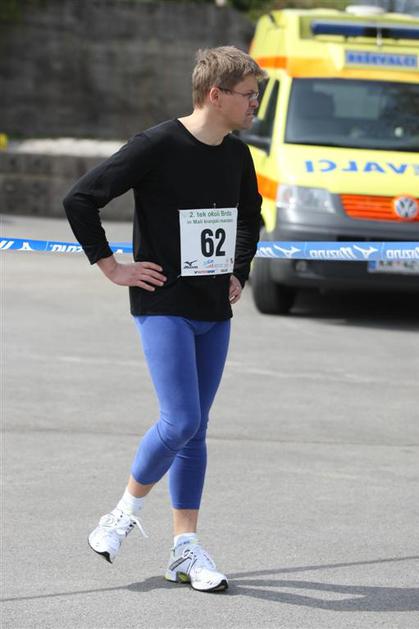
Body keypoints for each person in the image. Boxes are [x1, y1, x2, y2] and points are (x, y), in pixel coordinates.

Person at [63, 46, 265, 593]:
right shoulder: (156, 145)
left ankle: (184, 549)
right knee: (180, 421)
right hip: (162, 303)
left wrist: (238, 270)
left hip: (213, 309)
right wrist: (112, 267)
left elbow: (250, 218)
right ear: (215, 94)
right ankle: (122, 513)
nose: (256, 104)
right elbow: (80, 199)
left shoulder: (237, 155)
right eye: (249, 95)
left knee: (196, 428)